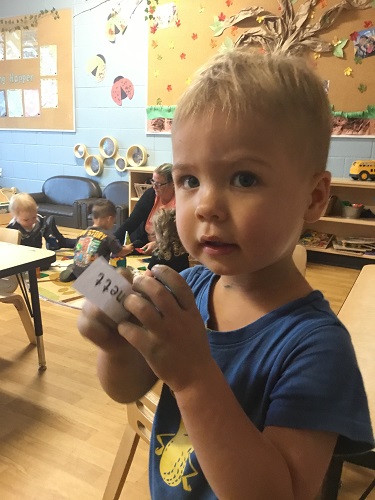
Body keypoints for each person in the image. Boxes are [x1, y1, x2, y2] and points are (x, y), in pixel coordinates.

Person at [77, 49, 374, 499]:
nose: (206, 206)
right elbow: (128, 388)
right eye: (189, 180)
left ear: (314, 198)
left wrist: (194, 378)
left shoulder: (317, 349)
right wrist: (116, 348)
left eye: (244, 179)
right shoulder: (189, 289)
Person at [59, 199, 133, 282]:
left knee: (80, 263)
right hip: (97, 276)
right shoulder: (108, 236)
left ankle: (73, 270)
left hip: (79, 270)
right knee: (124, 272)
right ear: (109, 219)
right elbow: (120, 252)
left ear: (94, 218)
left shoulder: (81, 234)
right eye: (113, 221)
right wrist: (129, 248)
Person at [114, 162, 175, 256]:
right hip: (144, 243)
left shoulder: (181, 201)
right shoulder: (150, 194)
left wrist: (158, 245)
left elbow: (179, 237)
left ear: (173, 184)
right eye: (153, 181)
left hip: (170, 248)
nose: (154, 186)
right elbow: (131, 222)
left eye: (158, 184)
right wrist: (111, 243)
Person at [7, 192, 76, 251]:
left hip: (38, 253)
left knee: (47, 261)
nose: (31, 221)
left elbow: (46, 232)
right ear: (15, 217)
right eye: (26, 220)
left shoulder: (39, 221)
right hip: (22, 255)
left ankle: (57, 237)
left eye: (34, 217)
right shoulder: (12, 228)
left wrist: (51, 240)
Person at [144, 208, 190, 276]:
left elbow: (146, 277)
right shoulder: (183, 254)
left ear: (161, 233)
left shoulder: (160, 254)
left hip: (160, 286)